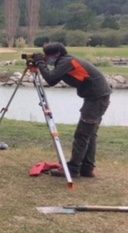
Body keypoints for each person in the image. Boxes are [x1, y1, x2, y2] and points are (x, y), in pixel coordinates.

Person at [33, 42, 111, 178]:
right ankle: (87, 169)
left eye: (47, 55)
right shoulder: (66, 61)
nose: (46, 58)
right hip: (97, 97)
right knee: (90, 134)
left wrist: (40, 63)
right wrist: (42, 64)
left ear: (56, 54)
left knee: (82, 135)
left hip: (96, 100)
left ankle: (73, 169)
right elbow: (54, 80)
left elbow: (50, 79)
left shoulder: (66, 62)